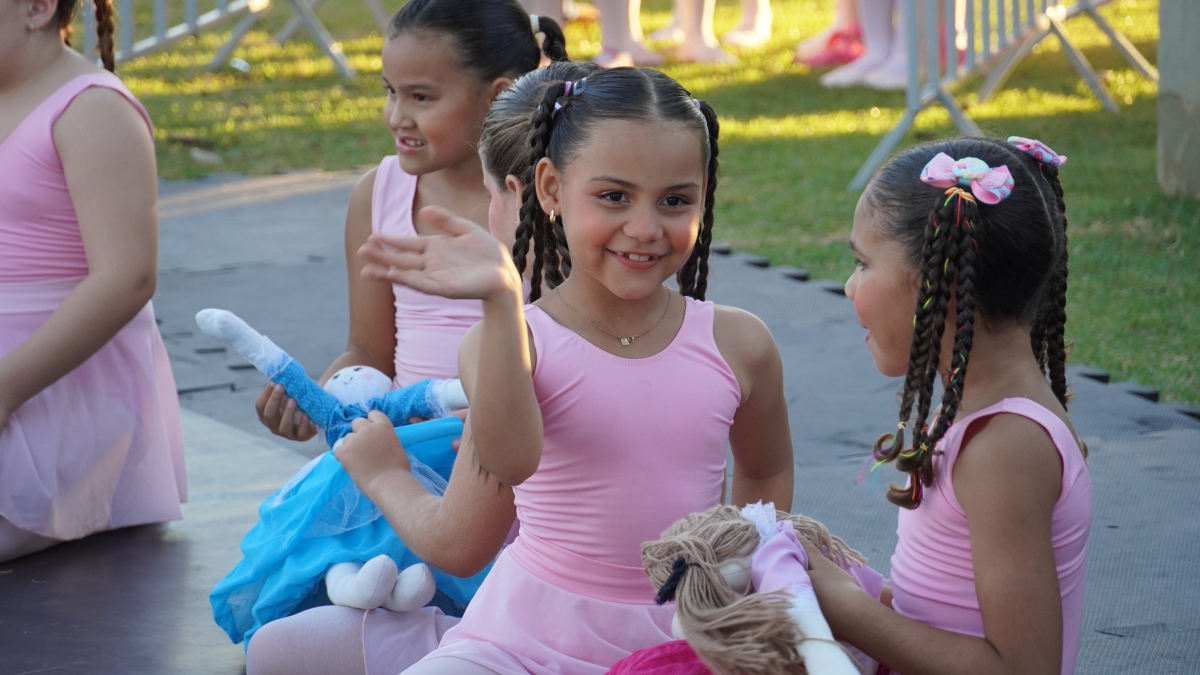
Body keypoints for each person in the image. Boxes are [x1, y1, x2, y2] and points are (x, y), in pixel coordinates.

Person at [354, 66, 795, 674]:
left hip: (683, 633)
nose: (645, 228)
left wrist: (740, 578)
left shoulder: (740, 343)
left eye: (675, 200)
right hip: (522, 638)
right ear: (551, 189)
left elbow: (765, 467)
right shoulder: (511, 342)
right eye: (614, 196)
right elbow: (510, 462)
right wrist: (501, 301)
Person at [241, 60, 599, 675]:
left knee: (277, 649)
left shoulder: (505, 349)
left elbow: (459, 544)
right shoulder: (722, 335)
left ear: (526, 193)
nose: (397, 113)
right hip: (651, 622)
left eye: (488, 195)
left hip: (526, 618)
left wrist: (383, 471)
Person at [800, 136, 1092, 674]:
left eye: (862, 264)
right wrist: (849, 590)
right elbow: (945, 616)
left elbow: (1022, 669)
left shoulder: (1005, 447)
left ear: (942, 280)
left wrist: (850, 611)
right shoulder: (980, 416)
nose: (848, 287)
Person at [254, 0, 567, 443]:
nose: (397, 117)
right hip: (406, 454)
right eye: (390, 92)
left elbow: (579, 356)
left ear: (497, 95)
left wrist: (491, 414)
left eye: (421, 97)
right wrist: (316, 402)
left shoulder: (551, 199)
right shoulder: (377, 194)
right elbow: (368, 350)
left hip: (519, 454)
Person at [0, 0, 186, 562]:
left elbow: (126, 278)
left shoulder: (93, 110)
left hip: (49, 388)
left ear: (37, 8)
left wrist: (5, 390)